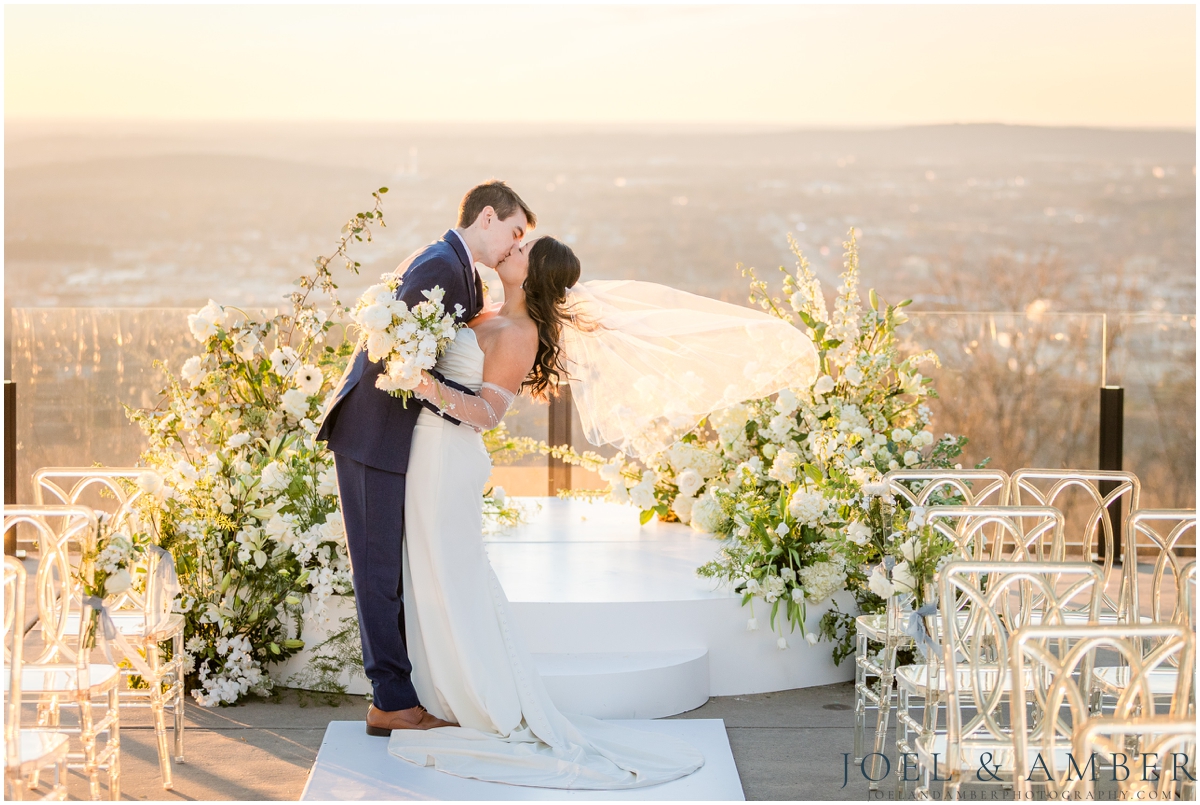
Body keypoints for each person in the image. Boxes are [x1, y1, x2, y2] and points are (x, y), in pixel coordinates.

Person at [316, 180, 535, 735]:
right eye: (514, 231)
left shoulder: (459, 271)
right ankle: (391, 702)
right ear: (488, 217)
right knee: (377, 572)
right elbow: (396, 351)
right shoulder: (443, 266)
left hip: (396, 436)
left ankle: (401, 693)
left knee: (388, 569)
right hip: (372, 434)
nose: (515, 245)